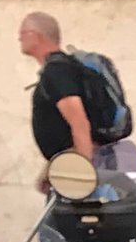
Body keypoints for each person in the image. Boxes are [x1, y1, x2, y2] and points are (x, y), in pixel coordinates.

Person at [17, 12, 114, 189]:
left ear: (34, 35)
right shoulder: (62, 68)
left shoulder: (57, 72)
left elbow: (79, 123)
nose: (19, 38)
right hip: (68, 162)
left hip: (76, 164)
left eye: (22, 33)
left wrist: (83, 176)